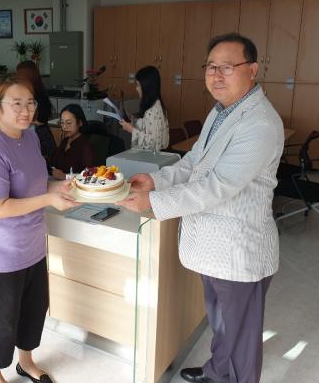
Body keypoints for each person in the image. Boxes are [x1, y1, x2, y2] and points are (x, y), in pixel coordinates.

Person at [117, 33, 284, 383]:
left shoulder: (260, 123)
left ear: (252, 70)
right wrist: (156, 181)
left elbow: (218, 185)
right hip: (213, 246)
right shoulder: (221, 111)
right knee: (220, 321)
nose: (216, 75)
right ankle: (216, 372)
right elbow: (195, 161)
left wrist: (154, 202)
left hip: (239, 250)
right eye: (210, 67)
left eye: (227, 66)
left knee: (241, 336)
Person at [0, 73, 79, 383]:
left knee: (33, 310)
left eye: (30, 103)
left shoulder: (29, 137)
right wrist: (49, 198)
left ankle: (26, 362)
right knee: (1, 318)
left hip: (32, 245)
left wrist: (60, 187)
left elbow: (35, 183)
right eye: (16, 104)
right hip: (2, 252)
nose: (26, 111)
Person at [119, 65, 169, 151]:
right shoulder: (157, 104)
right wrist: (134, 121)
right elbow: (149, 129)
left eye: (138, 85)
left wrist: (131, 130)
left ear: (147, 87)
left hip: (148, 157)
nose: (136, 89)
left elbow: (151, 143)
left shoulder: (152, 111)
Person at [16, 60, 56, 166]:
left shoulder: (38, 94)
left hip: (40, 137)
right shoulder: (25, 92)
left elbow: (41, 120)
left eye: (19, 74)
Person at [50, 103, 95, 180]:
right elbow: (53, 163)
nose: (64, 127)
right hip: (57, 183)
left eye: (69, 123)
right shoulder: (65, 140)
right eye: (62, 123)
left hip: (74, 185)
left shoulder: (85, 146)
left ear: (80, 123)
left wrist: (65, 176)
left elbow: (90, 176)